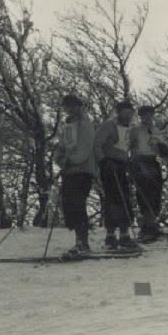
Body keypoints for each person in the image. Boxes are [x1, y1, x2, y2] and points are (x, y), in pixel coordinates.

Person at [51, 92, 97, 259]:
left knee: (78, 203)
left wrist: (70, 160)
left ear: (79, 107)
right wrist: (60, 159)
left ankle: (82, 242)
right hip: (69, 170)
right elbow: (62, 146)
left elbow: (85, 147)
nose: (70, 109)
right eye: (67, 107)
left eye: (73, 106)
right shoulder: (68, 126)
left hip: (83, 169)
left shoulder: (85, 124)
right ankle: (79, 240)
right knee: (70, 204)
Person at [93, 98, 140, 250]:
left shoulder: (129, 128)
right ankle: (111, 234)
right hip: (109, 164)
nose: (128, 116)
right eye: (125, 113)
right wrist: (103, 161)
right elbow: (97, 144)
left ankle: (124, 233)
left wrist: (130, 160)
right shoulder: (109, 125)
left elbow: (128, 147)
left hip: (122, 165)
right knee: (113, 198)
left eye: (130, 113)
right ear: (118, 112)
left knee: (124, 197)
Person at [129, 104, 168, 241]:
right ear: (140, 116)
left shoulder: (155, 130)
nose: (148, 117)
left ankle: (152, 223)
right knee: (144, 193)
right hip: (139, 161)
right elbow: (131, 147)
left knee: (156, 192)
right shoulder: (135, 130)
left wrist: (163, 149)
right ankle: (146, 225)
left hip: (152, 161)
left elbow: (164, 150)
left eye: (150, 115)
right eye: (145, 115)